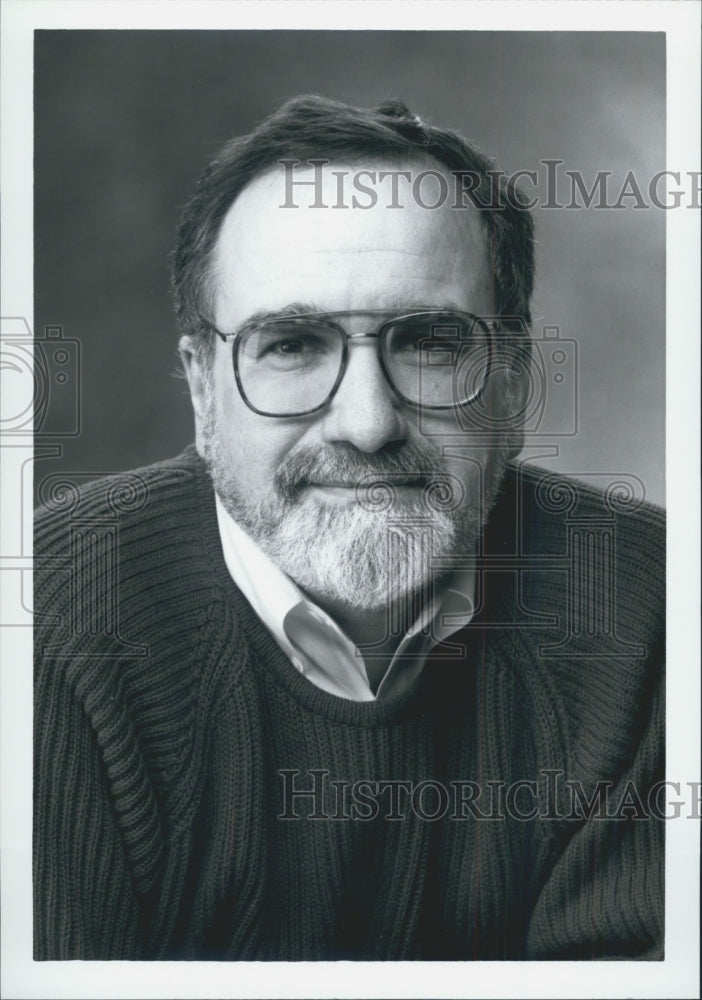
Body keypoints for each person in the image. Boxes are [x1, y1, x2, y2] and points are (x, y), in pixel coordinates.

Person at [33, 95, 664, 961]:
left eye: (431, 342)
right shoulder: (44, 627)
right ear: (203, 390)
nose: (366, 424)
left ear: (515, 385)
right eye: (292, 345)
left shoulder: (656, 608)